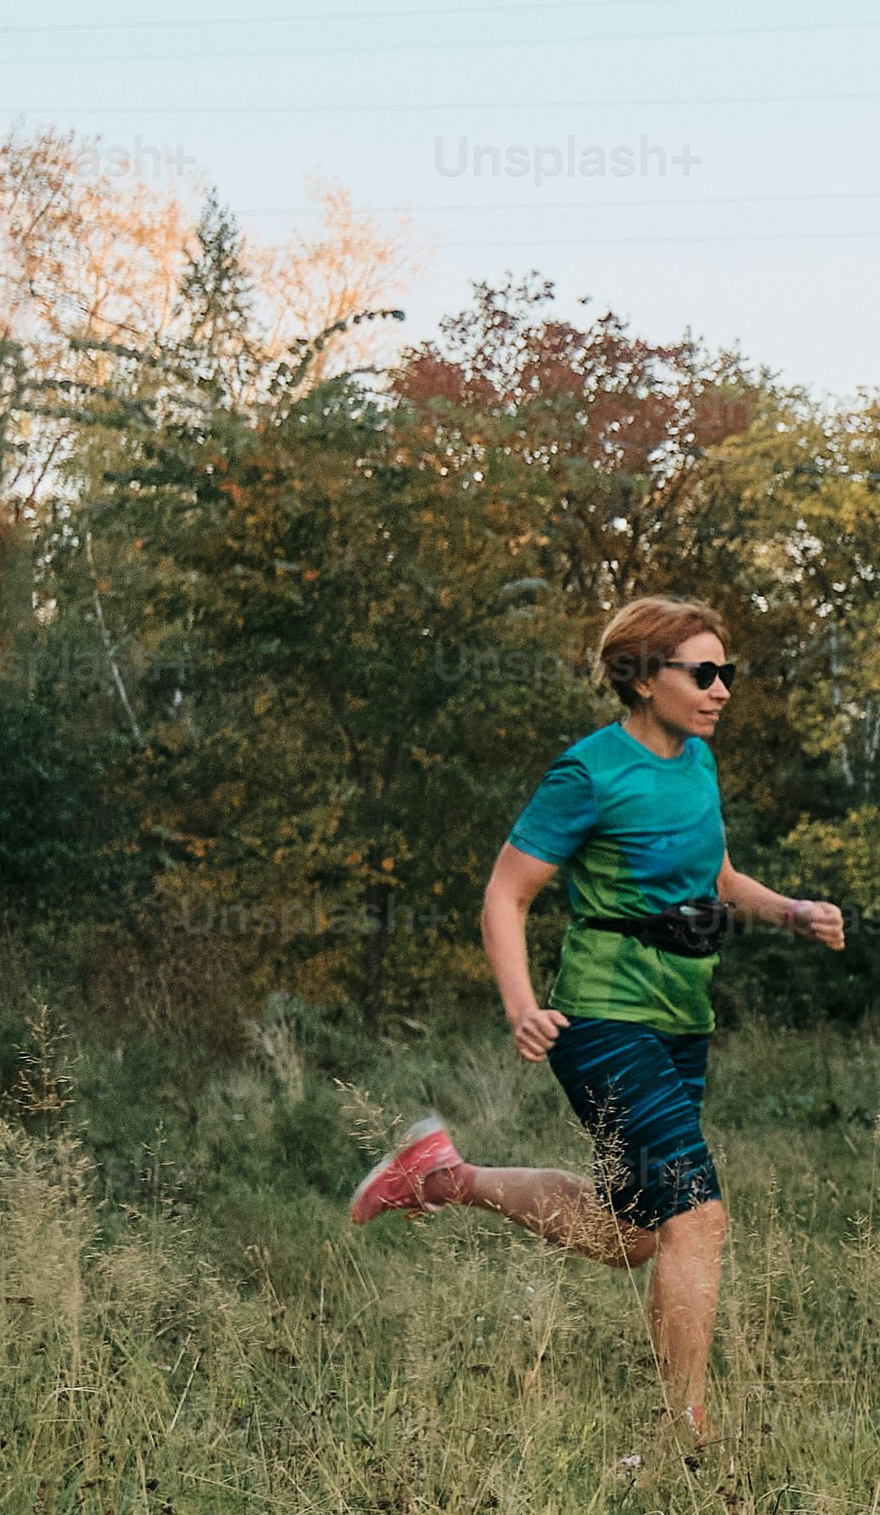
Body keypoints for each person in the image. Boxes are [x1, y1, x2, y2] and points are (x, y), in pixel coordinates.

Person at [341, 597, 844, 1439]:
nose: (722, 690)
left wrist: (788, 911)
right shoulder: (588, 773)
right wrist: (523, 1006)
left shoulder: (696, 764)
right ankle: (682, 1433)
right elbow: (506, 894)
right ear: (644, 679)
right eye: (704, 673)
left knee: (634, 1233)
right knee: (697, 1216)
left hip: (684, 1016)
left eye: (729, 674)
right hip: (607, 1018)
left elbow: (713, 876)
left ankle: (442, 1177)